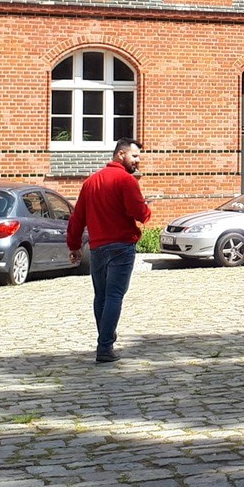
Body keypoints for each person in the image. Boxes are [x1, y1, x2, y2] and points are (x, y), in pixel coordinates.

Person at [67, 138, 149, 364]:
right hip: (121, 246)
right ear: (121, 154)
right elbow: (140, 213)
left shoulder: (91, 182)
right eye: (134, 156)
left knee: (101, 296)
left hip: (97, 248)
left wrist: (74, 245)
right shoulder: (126, 180)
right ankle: (104, 346)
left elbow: (77, 218)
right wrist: (146, 207)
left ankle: (105, 338)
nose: (138, 161)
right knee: (114, 296)